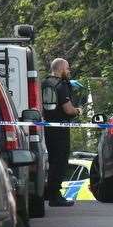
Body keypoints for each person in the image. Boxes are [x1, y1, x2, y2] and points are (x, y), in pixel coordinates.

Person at [42, 58, 80, 208]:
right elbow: (68, 110)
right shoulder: (61, 85)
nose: (69, 71)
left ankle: (50, 192)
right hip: (60, 128)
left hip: (47, 127)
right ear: (61, 69)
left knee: (52, 161)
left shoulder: (45, 83)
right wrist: (77, 111)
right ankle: (55, 195)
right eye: (68, 69)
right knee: (60, 162)